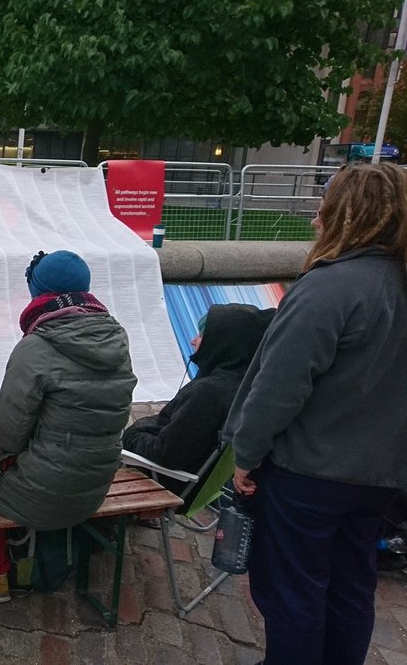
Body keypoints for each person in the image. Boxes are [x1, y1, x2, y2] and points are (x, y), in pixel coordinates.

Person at [223, 162, 407, 665]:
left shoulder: (330, 287)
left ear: (348, 213)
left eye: (322, 209)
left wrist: (246, 454)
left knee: (293, 594)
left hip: (308, 475)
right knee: (350, 587)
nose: (314, 221)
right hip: (378, 476)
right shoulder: (394, 282)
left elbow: (277, 389)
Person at [0, 250, 137, 602]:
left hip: (41, 496)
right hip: (93, 491)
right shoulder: (117, 339)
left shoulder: (37, 346)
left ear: (40, 294)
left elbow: (7, 436)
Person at [122, 303, 274, 486]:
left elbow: (167, 454)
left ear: (221, 343)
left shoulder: (207, 394)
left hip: (170, 483)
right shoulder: (251, 387)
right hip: (202, 483)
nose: (193, 340)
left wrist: (133, 434)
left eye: (202, 335)